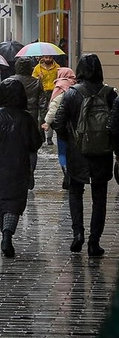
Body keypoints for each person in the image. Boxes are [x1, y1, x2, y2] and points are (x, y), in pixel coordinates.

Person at [52, 53, 117, 257]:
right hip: (102, 152)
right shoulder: (110, 94)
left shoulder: (72, 93)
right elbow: (115, 126)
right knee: (100, 197)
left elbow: (57, 122)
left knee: (75, 191)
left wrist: (70, 139)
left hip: (77, 151)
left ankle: (77, 233)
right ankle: (94, 242)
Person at [0, 78, 43, 257]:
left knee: (1, 202)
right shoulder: (26, 117)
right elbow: (36, 142)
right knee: (14, 203)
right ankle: (7, 235)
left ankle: (5, 235)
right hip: (19, 166)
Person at [11, 56, 44, 189]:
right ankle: (30, 171)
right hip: (32, 118)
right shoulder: (37, 83)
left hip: (13, 119)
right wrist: (43, 122)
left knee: (15, 147)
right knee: (32, 148)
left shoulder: (10, 81)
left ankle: (18, 173)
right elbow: (42, 104)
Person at [42, 67, 77, 189]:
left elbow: (54, 107)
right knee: (73, 150)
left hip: (62, 126)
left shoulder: (60, 86)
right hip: (75, 126)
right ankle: (72, 172)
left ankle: (66, 171)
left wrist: (47, 122)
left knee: (62, 151)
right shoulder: (75, 86)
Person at [33, 55, 61, 145]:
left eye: (50, 57)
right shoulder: (38, 68)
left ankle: (49, 137)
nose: (48, 59)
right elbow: (33, 80)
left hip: (54, 92)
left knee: (52, 113)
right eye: (46, 57)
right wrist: (39, 78)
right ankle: (41, 137)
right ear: (43, 58)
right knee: (42, 115)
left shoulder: (57, 67)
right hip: (43, 93)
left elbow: (60, 79)